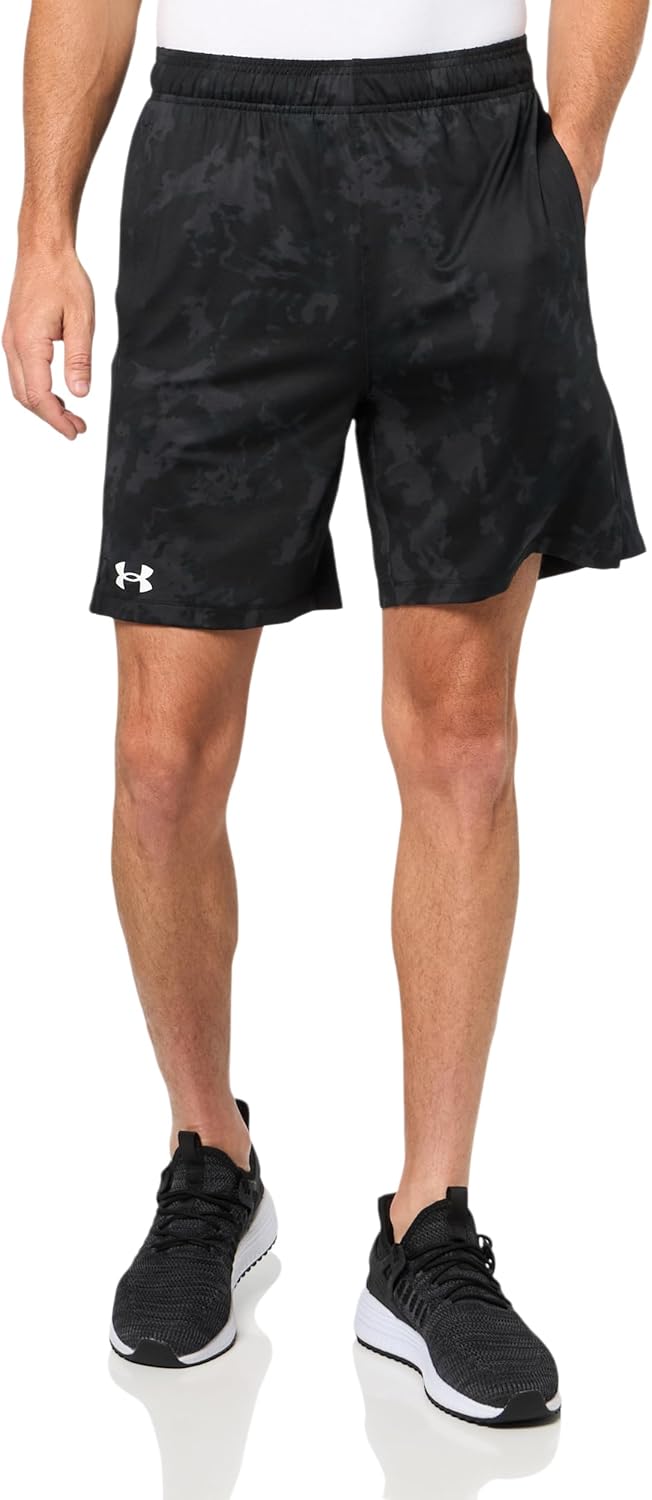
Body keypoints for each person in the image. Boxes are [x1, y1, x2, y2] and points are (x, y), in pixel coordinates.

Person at [3, 0, 647, 1425]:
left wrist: (571, 161)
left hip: (474, 158)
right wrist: (46, 223)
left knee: (466, 739)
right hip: (220, 165)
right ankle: (209, 1159)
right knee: (161, 758)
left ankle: (430, 1226)